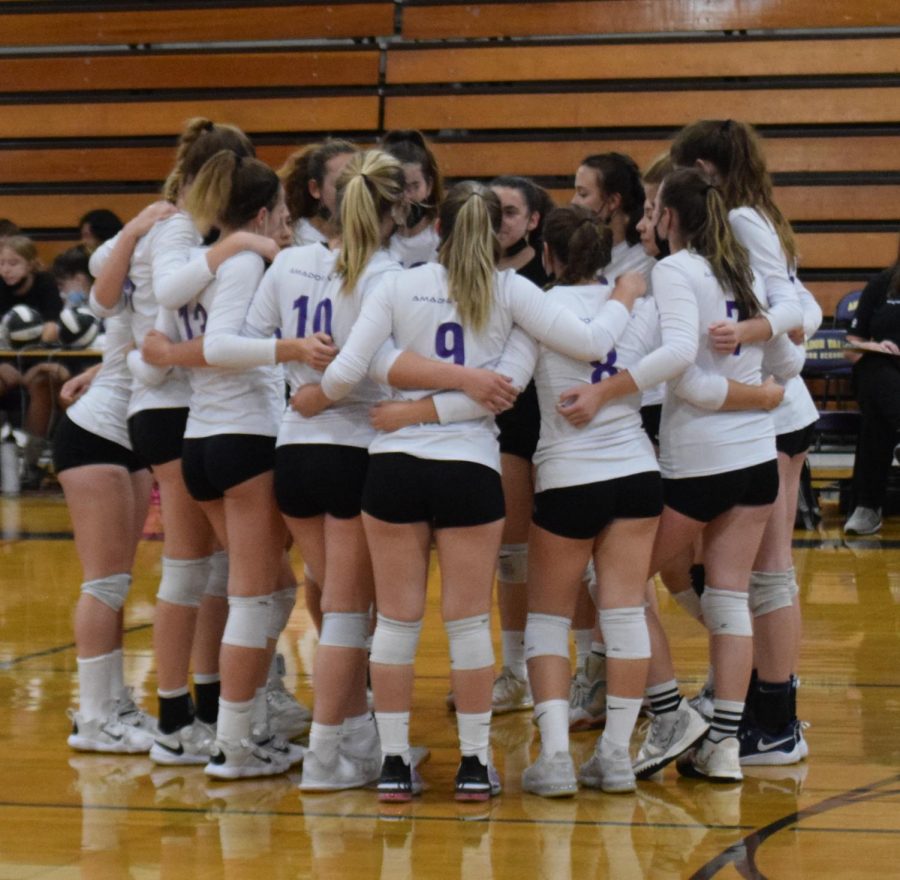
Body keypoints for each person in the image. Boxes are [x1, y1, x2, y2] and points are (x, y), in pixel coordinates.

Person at [293, 180, 645, 801]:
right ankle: (475, 766)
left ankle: (396, 764)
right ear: (499, 231)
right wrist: (623, 291)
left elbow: (353, 371)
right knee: (468, 625)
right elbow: (512, 382)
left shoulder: (396, 283)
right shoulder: (513, 291)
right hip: (470, 469)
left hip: (394, 467)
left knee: (397, 626)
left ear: (439, 228)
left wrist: (398, 409)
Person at [559, 167, 803, 782]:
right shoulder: (738, 268)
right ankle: (723, 744)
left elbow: (684, 375)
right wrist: (764, 394)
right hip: (754, 464)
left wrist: (610, 388)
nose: (645, 220)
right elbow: (790, 356)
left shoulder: (675, 269)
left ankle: (668, 713)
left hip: (701, 463)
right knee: (728, 597)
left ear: (670, 216)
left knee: (612, 583)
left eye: (651, 209)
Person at [90, 119, 272, 767]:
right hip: (173, 410)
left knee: (207, 569)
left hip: (187, 410)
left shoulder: (194, 235)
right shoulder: (176, 230)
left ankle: (202, 707)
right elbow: (130, 311)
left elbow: (143, 322)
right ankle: (188, 714)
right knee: (205, 569)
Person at [670, 118, 816, 763]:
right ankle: (749, 686)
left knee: (767, 573)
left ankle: (776, 715)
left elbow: (796, 310)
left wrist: (755, 334)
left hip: (771, 412)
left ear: (704, 170)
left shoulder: (743, 221)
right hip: (752, 411)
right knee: (724, 571)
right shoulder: (743, 218)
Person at [54, 202, 174, 753]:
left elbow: (125, 346)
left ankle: (114, 703)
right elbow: (105, 303)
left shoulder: (164, 275)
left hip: (128, 437)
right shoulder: (131, 251)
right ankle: (95, 716)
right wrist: (137, 225)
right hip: (95, 434)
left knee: (118, 581)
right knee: (102, 582)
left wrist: (97, 367)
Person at [486, 175, 554, 715]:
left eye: (510, 212)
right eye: (491, 210)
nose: (499, 220)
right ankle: (514, 671)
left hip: (557, 428)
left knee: (563, 559)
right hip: (501, 426)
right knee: (511, 557)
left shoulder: (549, 275)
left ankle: (590, 669)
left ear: (533, 220)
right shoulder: (471, 274)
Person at [0, 235, 67, 486]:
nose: (6, 269)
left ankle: (29, 462)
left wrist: (35, 363)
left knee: (42, 384)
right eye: (2, 263)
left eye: (13, 263)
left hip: (37, 360)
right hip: (3, 361)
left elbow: (51, 329)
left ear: (30, 264)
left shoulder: (45, 284)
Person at [843, 251, 900, 535]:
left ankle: (867, 507)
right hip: (879, 374)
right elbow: (852, 346)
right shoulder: (882, 284)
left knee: (876, 418)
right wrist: (876, 347)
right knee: (875, 366)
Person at [280, 139, 357, 249]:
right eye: (342, 184)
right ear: (315, 189)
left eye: (362, 182)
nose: (355, 192)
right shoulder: (298, 243)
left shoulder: (381, 231)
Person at [382, 130, 443, 267]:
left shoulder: (441, 235)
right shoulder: (375, 236)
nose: (407, 197)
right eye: (399, 188)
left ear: (429, 186)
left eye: (415, 186)